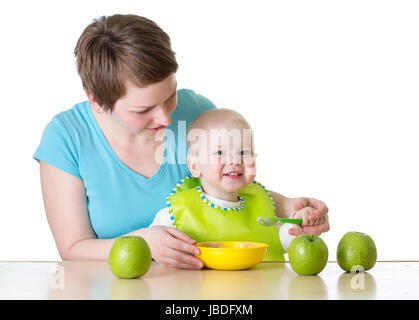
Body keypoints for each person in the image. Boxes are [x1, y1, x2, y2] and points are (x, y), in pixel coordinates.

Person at [34, 14, 329, 269]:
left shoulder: (198, 112)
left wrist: (289, 208)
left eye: (169, 96)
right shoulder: (66, 138)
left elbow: (229, 188)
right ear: (97, 101)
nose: (165, 117)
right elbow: (73, 248)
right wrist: (144, 242)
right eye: (143, 110)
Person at [150, 108, 322, 260]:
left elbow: (277, 242)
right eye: (219, 152)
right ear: (195, 166)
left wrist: (298, 223)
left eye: (243, 152)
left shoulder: (261, 205)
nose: (234, 159)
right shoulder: (176, 214)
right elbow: (151, 247)